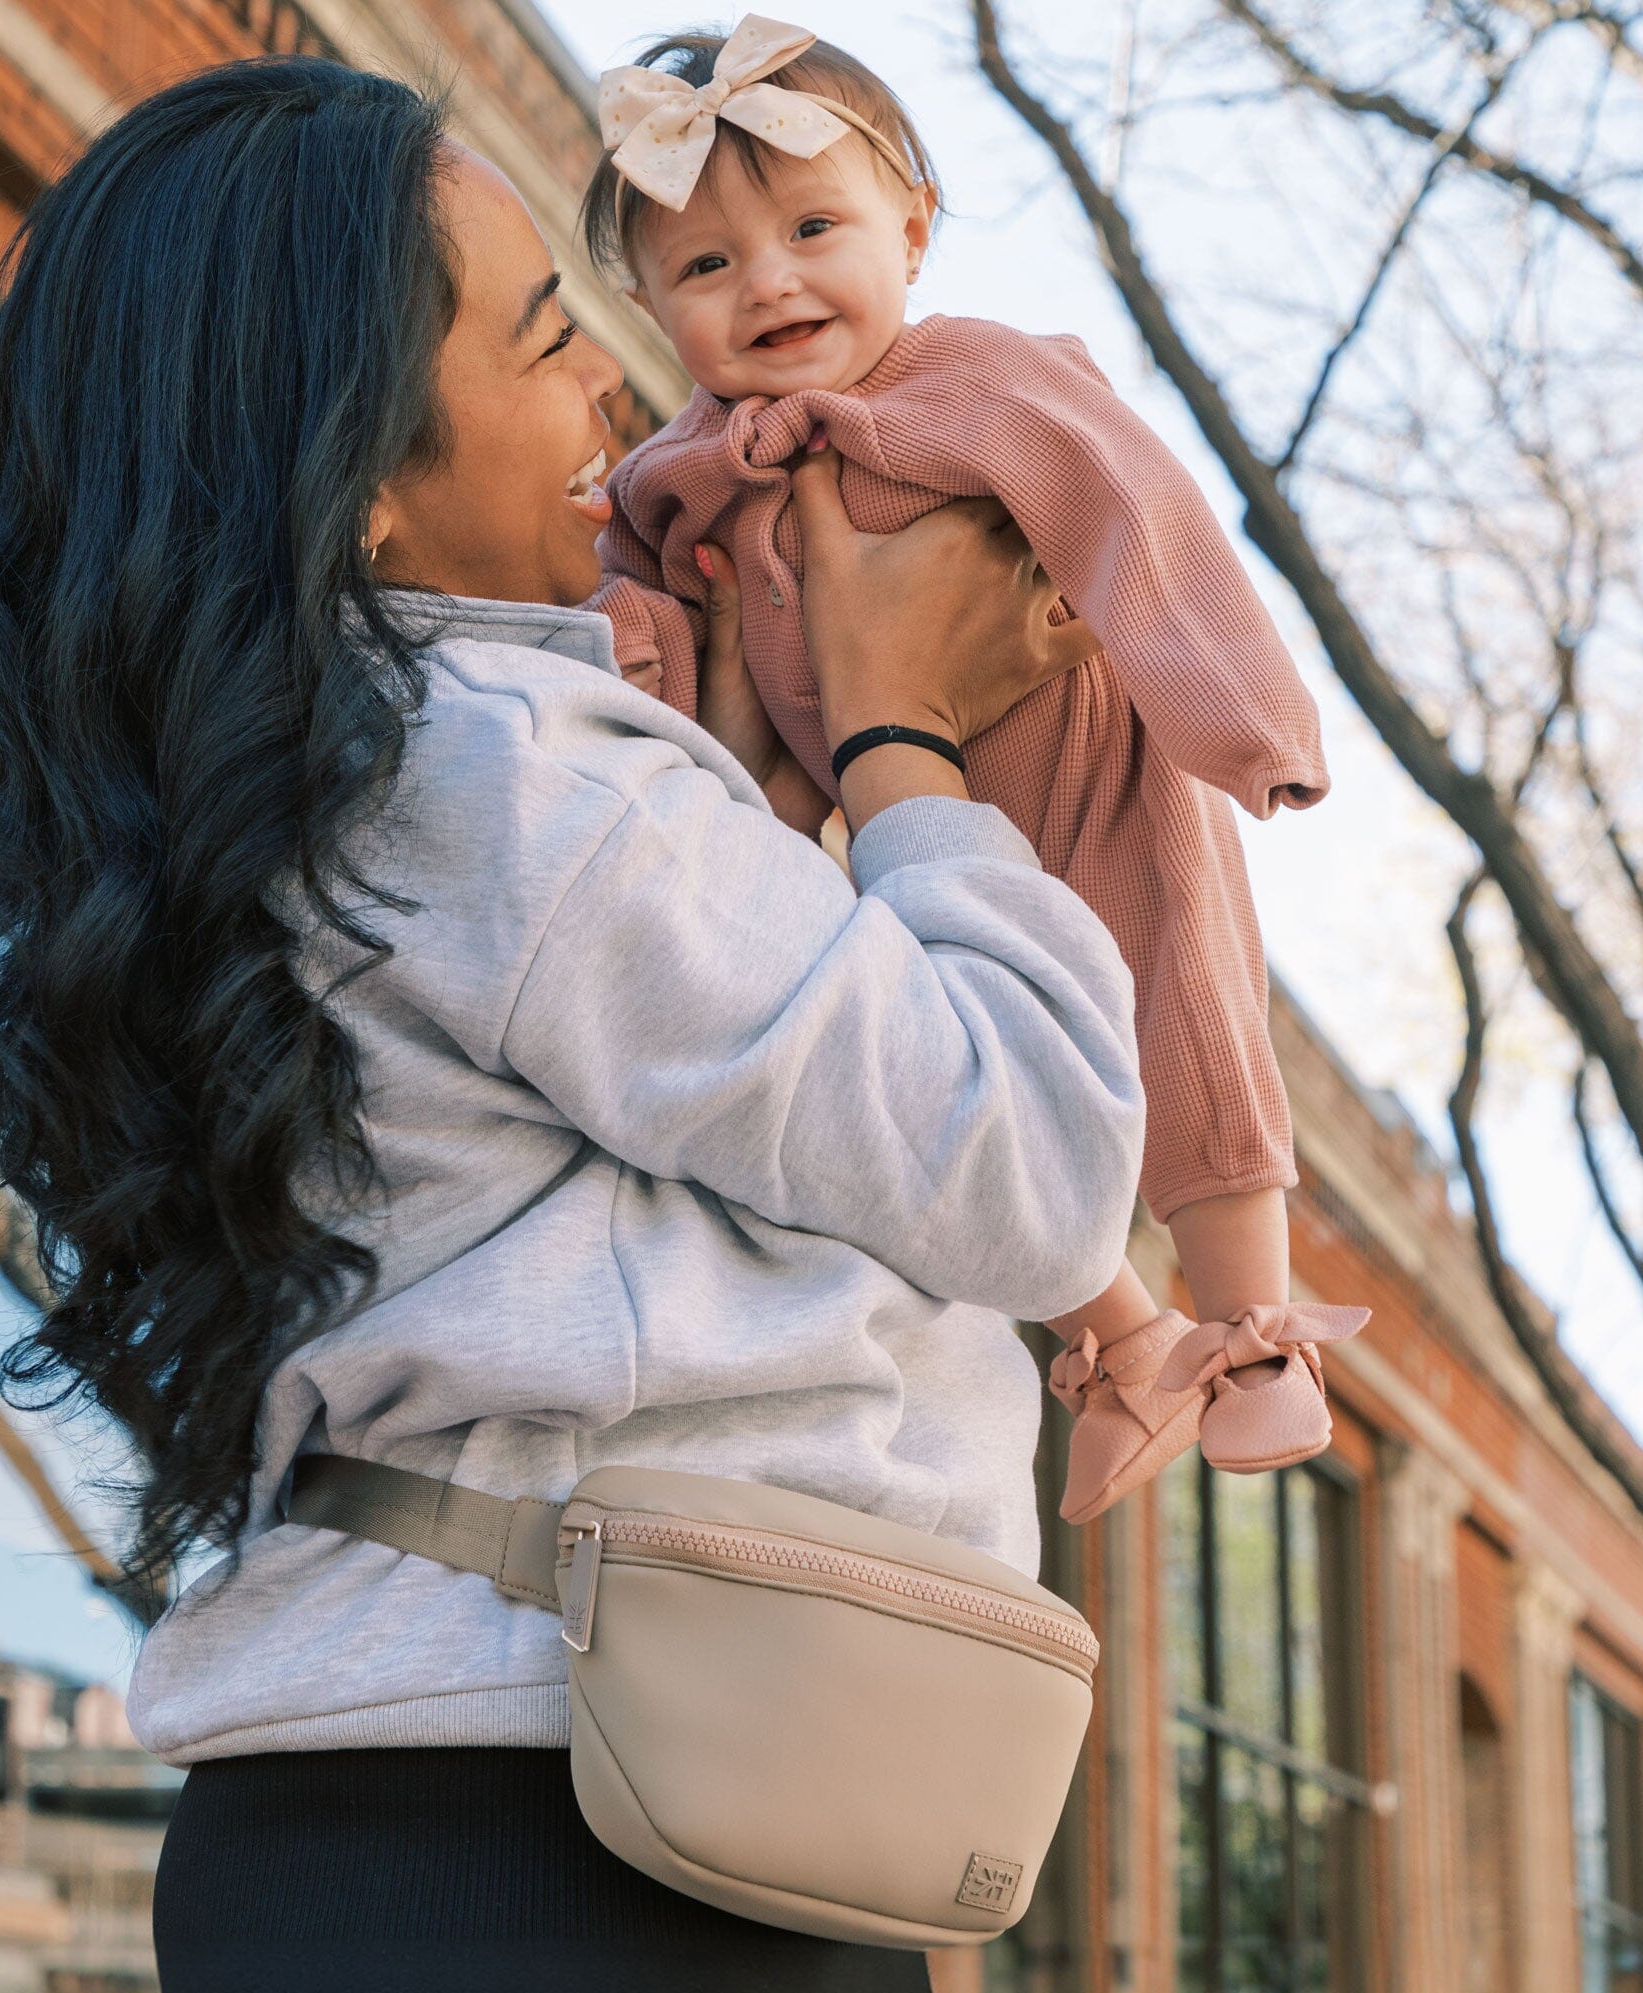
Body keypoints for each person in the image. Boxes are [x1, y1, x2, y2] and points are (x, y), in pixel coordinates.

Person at [0, 54, 1143, 1993]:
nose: (612, 397)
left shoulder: (271, 803)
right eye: (550, 339)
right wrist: (905, 733)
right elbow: (1034, 1168)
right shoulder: (512, 774)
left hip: (358, 1822)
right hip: (616, 1831)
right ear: (365, 480)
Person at [582, 16, 1371, 1527]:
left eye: (814, 231)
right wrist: (631, 680)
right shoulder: (672, 471)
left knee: (1184, 996)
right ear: (645, 301)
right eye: (707, 265)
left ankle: (1255, 1335)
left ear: (914, 230)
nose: (770, 284)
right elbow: (639, 606)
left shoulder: (981, 381)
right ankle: (1125, 1346)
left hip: (1088, 766)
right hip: (882, 827)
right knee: (930, 1075)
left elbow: (1133, 514)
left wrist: (1245, 717)